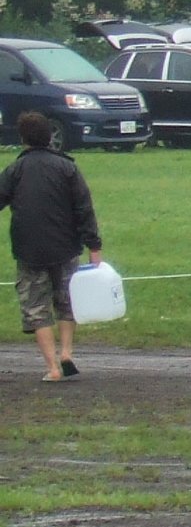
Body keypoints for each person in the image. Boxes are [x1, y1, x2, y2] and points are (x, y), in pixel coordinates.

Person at [1, 110, 102, 383]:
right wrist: (94, 245)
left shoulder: (15, 170)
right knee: (67, 302)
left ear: (23, 139)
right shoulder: (68, 167)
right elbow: (84, 208)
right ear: (49, 137)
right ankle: (67, 352)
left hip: (28, 250)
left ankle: (53, 367)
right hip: (66, 247)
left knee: (36, 308)